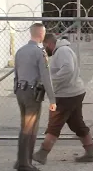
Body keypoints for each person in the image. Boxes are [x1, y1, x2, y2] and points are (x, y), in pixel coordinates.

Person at [32, 34, 93, 165]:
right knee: (77, 124)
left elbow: (68, 70)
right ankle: (91, 153)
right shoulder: (63, 50)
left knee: (54, 124)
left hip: (66, 95)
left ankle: (42, 154)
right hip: (73, 92)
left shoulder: (62, 51)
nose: (45, 50)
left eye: (45, 47)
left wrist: (49, 82)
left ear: (49, 43)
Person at [13, 23, 57, 171]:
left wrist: (17, 90)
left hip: (20, 91)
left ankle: (21, 160)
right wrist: (52, 99)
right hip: (32, 94)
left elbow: (16, 74)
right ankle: (25, 164)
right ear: (41, 34)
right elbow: (46, 77)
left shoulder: (20, 51)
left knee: (24, 126)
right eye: (44, 33)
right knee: (30, 128)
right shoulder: (40, 52)